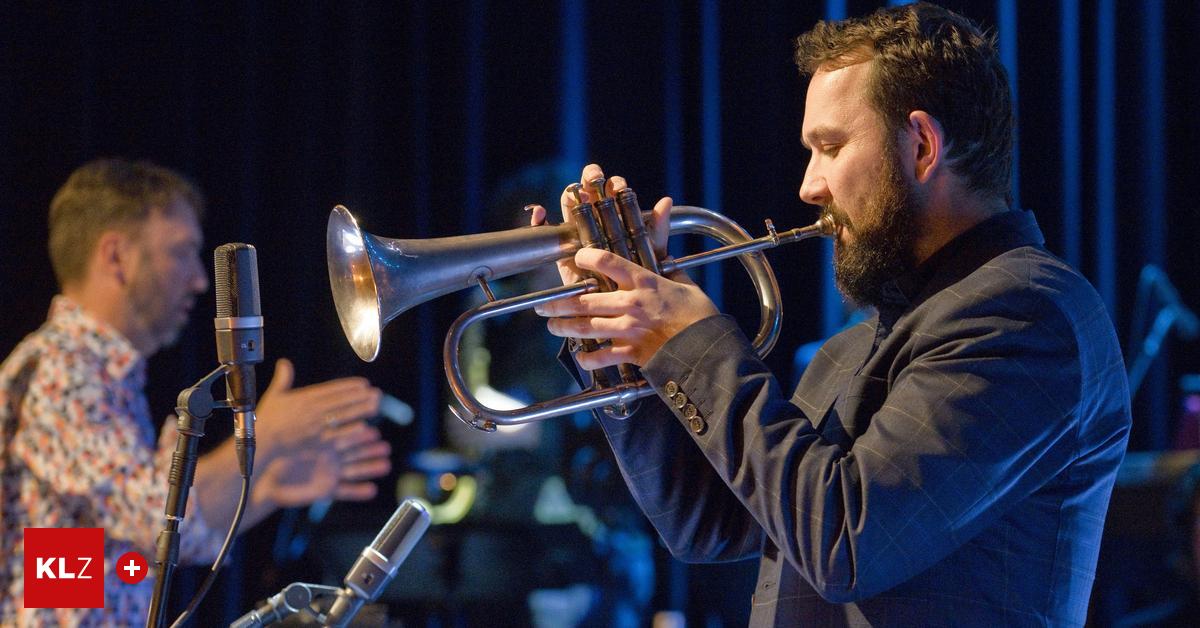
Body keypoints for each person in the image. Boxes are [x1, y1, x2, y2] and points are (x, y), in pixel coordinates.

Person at [530, 3, 1131, 625]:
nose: (809, 186)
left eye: (831, 147)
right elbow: (706, 523)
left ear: (922, 146)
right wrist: (626, 340)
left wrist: (692, 344)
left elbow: (847, 542)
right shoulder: (853, 348)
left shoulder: (1025, 313)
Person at [0, 158, 392, 626]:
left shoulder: (99, 375)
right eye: (181, 252)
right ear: (116, 257)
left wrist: (265, 487)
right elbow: (155, 515)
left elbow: (135, 543)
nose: (200, 280)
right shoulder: (62, 370)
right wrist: (268, 436)